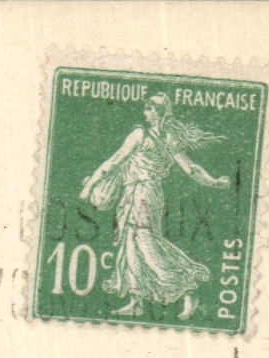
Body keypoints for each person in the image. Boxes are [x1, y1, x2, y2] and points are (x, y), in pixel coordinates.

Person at [79, 93, 230, 319]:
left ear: (160, 112)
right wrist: (214, 181)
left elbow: (115, 161)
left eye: (150, 109)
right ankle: (137, 300)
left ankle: (187, 287)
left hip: (144, 194)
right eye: (146, 108)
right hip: (136, 194)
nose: (146, 112)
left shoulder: (144, 135)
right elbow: (192, 169)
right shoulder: (165, 138)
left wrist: (89, 186)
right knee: (130, 244)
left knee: (146, 242)